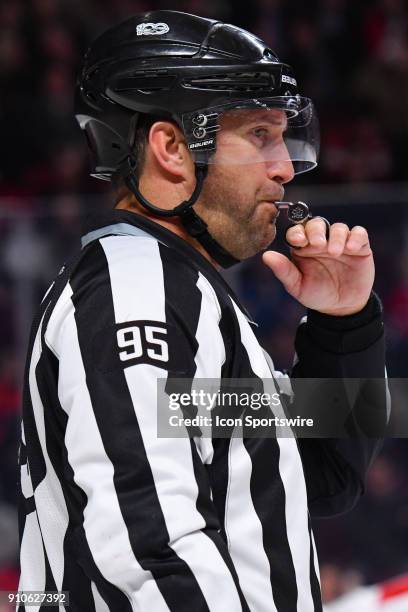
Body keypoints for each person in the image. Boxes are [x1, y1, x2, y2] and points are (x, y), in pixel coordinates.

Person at [17, 10, 388, 612]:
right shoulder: (133, 290)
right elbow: (149, 550)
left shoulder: (181, 293)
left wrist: (345, 327)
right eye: (260, 136)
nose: (285, 167)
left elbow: (320, 475)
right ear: (171, 148)